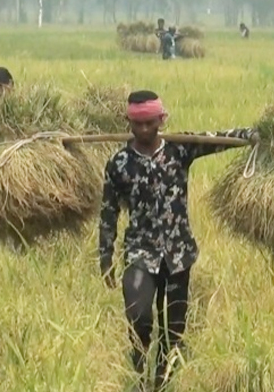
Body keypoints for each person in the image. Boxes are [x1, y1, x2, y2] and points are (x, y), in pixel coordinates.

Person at [98, 90, 258, 391]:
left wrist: (248, 135)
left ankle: (164, 379)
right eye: (138, 124)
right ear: (128, 123)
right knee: (139, 317)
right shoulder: (118, 163)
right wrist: (105, 255)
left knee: (174, 329)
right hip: (139, 253)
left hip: (178, 254)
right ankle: (138, 371)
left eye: (150, 123)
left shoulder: (179, 150)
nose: (144, 130)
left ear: (162, 120)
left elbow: (217, 140)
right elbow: (108, 212)